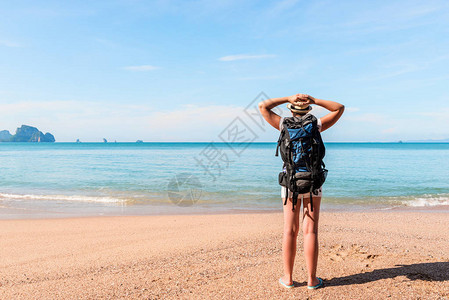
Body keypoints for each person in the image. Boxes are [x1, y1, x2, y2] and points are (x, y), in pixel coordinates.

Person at [258, 93, 344, 289]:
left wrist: (288, 97)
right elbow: (339, 108)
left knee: (290, 230)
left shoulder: (283, 124)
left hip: (289, 182)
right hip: (313, 181)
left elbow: (263, 106)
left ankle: (288, 278)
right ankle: (312, 280)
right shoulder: (316, 125)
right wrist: (313, 100)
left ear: (291, 110)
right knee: (310, 230)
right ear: (308, 111)